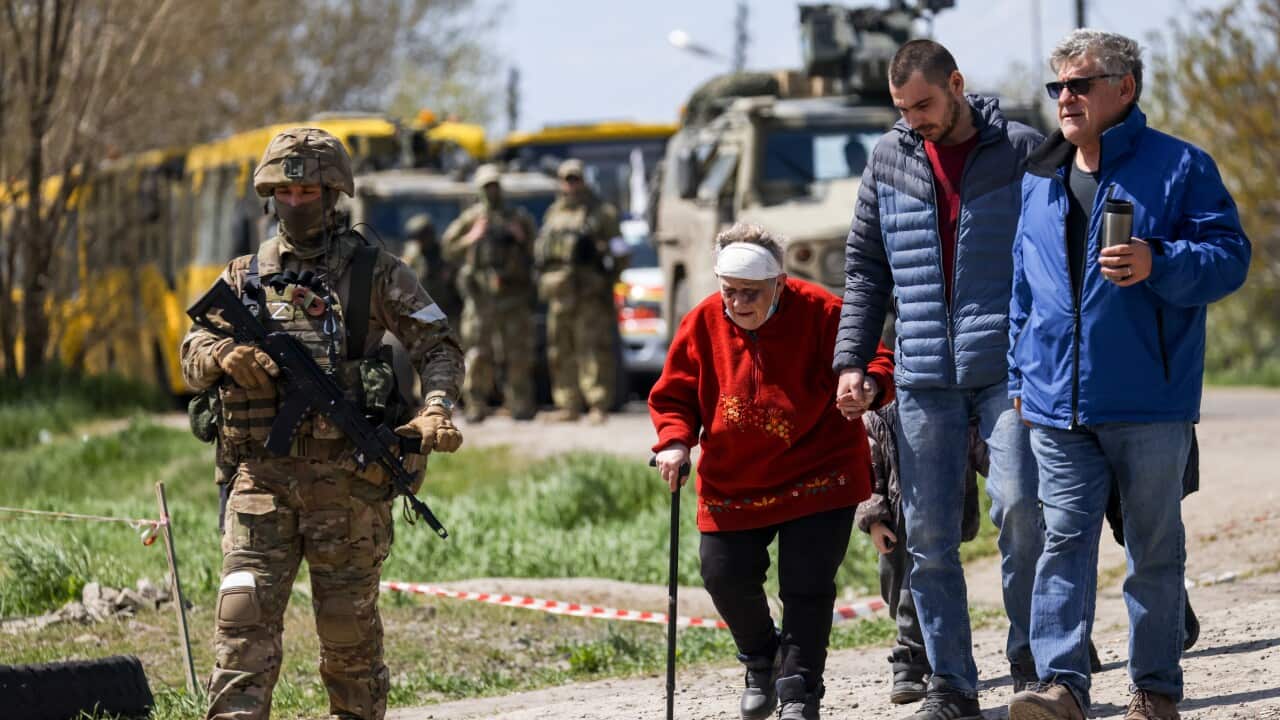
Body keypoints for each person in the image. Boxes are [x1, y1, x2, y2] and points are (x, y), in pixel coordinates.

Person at [179, 127, 466, 720]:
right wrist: (223, 355)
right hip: (259, 483)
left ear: (334, 194)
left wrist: (436, 406)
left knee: (348, 640)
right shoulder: (243, 276)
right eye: (284, 191)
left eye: (308, 191)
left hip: (349, 487)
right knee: (241, 628)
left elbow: (438, 346)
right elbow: (191, 349)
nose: (295, 201)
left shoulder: (376, 272)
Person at [1006, 29, 1250, 720]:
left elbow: (1230, 258)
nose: (1065, 98)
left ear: (1124, 88)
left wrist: (1158, 261)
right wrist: (1022, 374)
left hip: (1148, 399)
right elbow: (1022, 288)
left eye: (1079, 84)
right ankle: (1062, 687)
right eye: (1058, 86)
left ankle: (1155, 690)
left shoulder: (1181, 166)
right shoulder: (1039, 175)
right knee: (1062, 542)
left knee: (1153, 548)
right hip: (1055, 404)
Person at [833, 39, 1045, 720]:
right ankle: (951, 685)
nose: (913, 119)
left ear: (956, 83)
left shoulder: (1021, 150)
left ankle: (1034, 668)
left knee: (1022, 509)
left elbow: (1057, 251)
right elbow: (865, 269)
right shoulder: (888, 158)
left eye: (923, 104)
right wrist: (852, 362)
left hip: (1008, 367)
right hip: (923, 375)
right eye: (902, 108)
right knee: (926, 536)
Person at [650, 222, 895, 720]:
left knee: (806, 584)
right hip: (734, 476)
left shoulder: (822, 311)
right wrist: (674, 442)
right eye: (730, 291)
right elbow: (675, 394)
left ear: (779, 283)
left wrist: (867, 385)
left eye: (751, 292)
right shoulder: (701, 322)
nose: (738, 303)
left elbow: (876, 356)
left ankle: (800, 691)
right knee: (723, 574)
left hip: (818, 470)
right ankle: (762, 658)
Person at [858, 404, 985, 706]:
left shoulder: (949, 402)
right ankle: (923, 642)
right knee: (892, 582)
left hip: (937, 510)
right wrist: (874, 519)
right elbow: (867, 466)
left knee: (918, 579)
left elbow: (982, 445)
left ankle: (910, 657)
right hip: (894, 516)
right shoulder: (877, 410)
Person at [442, 164, 538, 422]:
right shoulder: (471, 218)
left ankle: (520, 404)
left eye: (495, 186)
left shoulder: (518, 217)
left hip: (512, 295)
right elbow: (448, 248)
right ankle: (476, 404)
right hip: (480, 297)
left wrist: (519, 237)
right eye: (487, 187)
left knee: (517, 352)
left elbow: (537, 251)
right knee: (478, 352)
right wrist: (472, 237)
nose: (492, 192)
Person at [535, 158, 624, 424]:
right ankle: (567, 404)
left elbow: (620, 250)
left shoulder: (602, 213)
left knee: (592, 349)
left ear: (584, 181)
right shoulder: (553, 213)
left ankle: (597, 403)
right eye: (567, 180)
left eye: (576, 179)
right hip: (559, 292)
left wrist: (608, 278)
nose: (572, 185)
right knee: (559, 349)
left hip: (589, 293)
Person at [402, 213, 463, 324]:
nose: (421, 241)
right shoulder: (413, 255)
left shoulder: (445, 253)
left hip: (447, 309)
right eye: (418, 237)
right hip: (424, 311)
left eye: (423, 236)